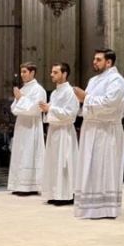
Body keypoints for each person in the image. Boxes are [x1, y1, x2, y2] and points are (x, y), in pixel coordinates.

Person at [73, 49, 124, 219]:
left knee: (104, 167)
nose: (94, 62)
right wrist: (81, 100)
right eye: (94, 59)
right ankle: (90, 206)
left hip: (107, 131)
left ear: (109, 62)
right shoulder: (93, 80)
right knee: (90, 167)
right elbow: (87, 103)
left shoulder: (117, 81)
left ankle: (106, 207)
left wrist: (86, 98)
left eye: (98, 59)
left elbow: (110, 104)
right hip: (91, 128)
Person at [39, 63, 79, 206]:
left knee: (65, 162)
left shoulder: (70, 92)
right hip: (53, 131)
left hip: (64, 132)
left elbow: (71, 114)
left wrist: (50, 108)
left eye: (55, 72)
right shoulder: (55, 93)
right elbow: (52, 112)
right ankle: (54, 193)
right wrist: (46, 109)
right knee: (53, 162)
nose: (52, 75)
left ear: (64, 74)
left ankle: (66, 194)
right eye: (52, 72)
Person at [7, 62, 46, 196]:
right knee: (19, 153)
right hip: (21, 126)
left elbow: (35, 109)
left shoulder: (38, 89)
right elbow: (13, 109)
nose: (22, 74)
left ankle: (30, 186)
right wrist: (19, 99)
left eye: (25, 71)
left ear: (32, 72)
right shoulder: (23, 89)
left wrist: (20, 99)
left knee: (29, 153)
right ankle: (19, 185)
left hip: (31, 127)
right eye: (22, 72)